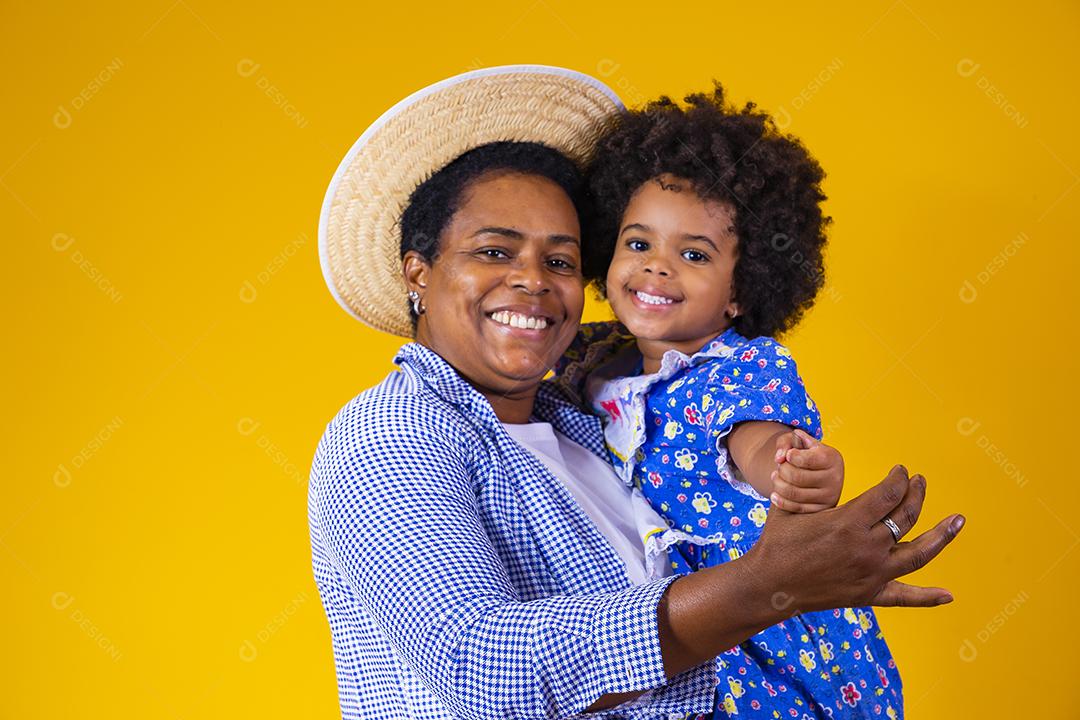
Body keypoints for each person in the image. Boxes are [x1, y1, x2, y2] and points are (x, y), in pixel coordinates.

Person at [310, 65, 965, 720]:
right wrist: (766, 586)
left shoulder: (589, 416)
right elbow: (485, 671)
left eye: (560, 261)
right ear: (418, 273)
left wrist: (794, 508)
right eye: (494, 252)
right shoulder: (391, 433)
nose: (533, 280)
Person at [555, 83, 899, 716]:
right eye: (638, 243)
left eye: (693, 254)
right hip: (661, 631)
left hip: (757, 630)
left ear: (740, 291)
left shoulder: (739, 369)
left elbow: (759, 440)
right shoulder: (593, 360)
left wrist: (793, 468)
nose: (657, 267)